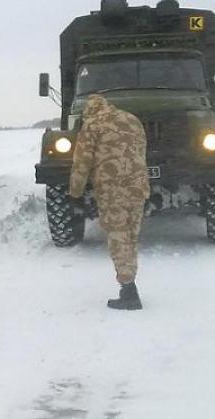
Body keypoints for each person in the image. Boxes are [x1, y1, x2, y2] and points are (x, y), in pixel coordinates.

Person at [69, 94, 150, 310]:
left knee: (118, 235)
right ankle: (129, 283)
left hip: (113, 190)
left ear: (90, 110)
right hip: (139, 186)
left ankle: (129, 291)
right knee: (131, 235)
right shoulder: (132, 119)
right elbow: (141, 151)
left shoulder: (93, 124)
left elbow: (81, 162)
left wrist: (75, 193)